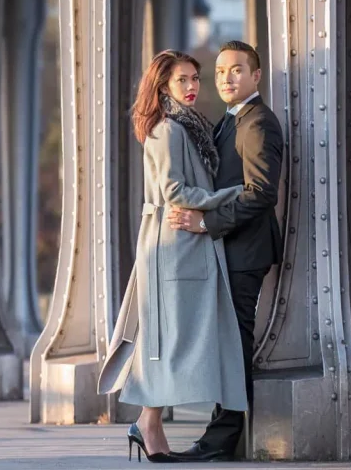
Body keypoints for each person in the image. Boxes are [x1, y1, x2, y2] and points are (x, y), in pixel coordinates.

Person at [98, 50, 247, 463]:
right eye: (182, 80)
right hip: (172, 246)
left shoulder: (189, 126)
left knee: (172, 340)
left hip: (185, 243)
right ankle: (148, 422)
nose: (192, 86)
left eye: (195, 78)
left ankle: (149, 423)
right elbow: (175, 193)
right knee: (167, 341)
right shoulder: (168, 130)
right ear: (163, 86)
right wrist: (233, 195)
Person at [165, 40, 284, 462]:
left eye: (236, 70)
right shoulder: (228, 121)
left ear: (255, 76)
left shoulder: (257, 123)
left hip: (245, 251)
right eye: (219, 72)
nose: (226, 78)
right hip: (229, 249)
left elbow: (261, 194)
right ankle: (219, 434)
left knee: (234, 344)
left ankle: (222, 439)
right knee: (226, 343)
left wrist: (205, 222)